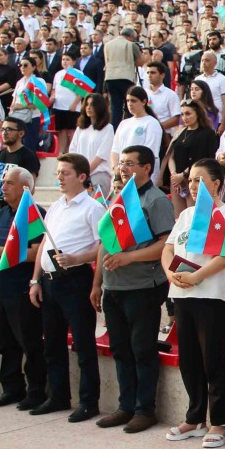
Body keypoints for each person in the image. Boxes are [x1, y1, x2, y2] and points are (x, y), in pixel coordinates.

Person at [163, 159, 225, 449]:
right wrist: (169, 273)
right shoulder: (185, 215)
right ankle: (194, 417)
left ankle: (219, 422)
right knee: (189, 359)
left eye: (200, 180)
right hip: (183, 295)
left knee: (213, 360)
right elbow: (169, 247)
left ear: (216, 183)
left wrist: (197, 276)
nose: (193, 187)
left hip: (213, 296)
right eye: (191, 181)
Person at [93, 145, 174, 433]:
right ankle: (125, 406)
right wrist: (97, 283)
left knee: (142, 350)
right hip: (113, 287)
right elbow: (105, 241)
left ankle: (144, 409)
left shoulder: (156, 200)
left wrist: (128, 257)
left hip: (142, 286)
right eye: (121, 163)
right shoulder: (119, 198)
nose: (122, 168)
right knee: (120, 349)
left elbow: (165, 245)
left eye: (129, 164)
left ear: (146, 168)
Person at [28, 154, 105, 421]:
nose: (59, 177)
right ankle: (58, 396)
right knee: (52, 343)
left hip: (75, 278)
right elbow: (44, 247)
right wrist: (35, 280)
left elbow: (102, 247)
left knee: (83, 343)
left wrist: (76, 258)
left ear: (82, 177)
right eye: (58, 173)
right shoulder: (56, 207)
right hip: (50, 281)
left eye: (65, 173)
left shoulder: (93, 208)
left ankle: (88, 402)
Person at [0, 166, 47, 409]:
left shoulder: (34, 213)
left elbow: (37, 252)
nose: (3, 187)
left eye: (9, 183)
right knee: (5, 342)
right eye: (3, 183)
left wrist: (1, 252)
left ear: (25, 188)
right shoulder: (2, 212)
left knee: (29, 342)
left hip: (21, 288)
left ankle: (37, 391)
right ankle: (11, 389)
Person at [165, 101, 219, 215]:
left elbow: (205, 159)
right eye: (182, 114)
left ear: (198, 114)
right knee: (179, 217)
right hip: (176, 181)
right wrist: (174, 174)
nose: (185, 117)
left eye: (188, 113)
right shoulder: (180, 132)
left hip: (194, 179)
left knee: (193, 214)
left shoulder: (207, 134)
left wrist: (184, 175)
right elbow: (171, 156)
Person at [0, 119, 40, 214]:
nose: (4, 133)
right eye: (2, 129)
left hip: (13, 212)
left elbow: (30, 189)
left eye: (9, 129)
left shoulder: (28, 156)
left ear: (21, 133)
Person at [69, 94, 115, 196]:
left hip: (98, 175)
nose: (88, 107)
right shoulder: (81, 128)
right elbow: (73, 150)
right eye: (87, 104)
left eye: (92, 105)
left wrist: (84, 172)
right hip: (80, 176)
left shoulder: (108, 128)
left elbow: (101, 155)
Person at [103, 27, 140, 126]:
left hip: (110, 78)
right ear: (131, 36)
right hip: (125, 77)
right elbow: (140, 62)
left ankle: (116, 130)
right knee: (129, 105)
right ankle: (128, 127)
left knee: (115, 108)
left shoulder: (108, 44)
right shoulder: (131, 44)